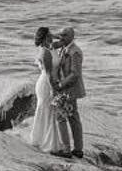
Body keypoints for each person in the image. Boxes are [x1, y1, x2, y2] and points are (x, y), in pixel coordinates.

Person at [28, 26, 72, 155]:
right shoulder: (45, 52)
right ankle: (48, 144)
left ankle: (47, 140)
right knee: (48, 111)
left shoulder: (51, 46)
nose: (51, 36)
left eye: (50, 34)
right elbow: (48, 74)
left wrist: (57, 35)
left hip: (50, 82)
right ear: (44, 37)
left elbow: (63, 42)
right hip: (46, 84)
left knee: (50, 111)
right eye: (49, 35)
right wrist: (54, 90)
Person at [53, 26, 86, 158]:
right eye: (61, 34)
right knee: (73, 118)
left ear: (72, 36)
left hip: (69, 89)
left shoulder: (74, 52)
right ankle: (78, 149)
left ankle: (67, 150)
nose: (62, 37)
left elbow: (75, 74)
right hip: (66, 89)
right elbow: (48, 45)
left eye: (65, 35)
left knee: (62, 117)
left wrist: (61, 84)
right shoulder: (63, 48)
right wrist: (57, 37)